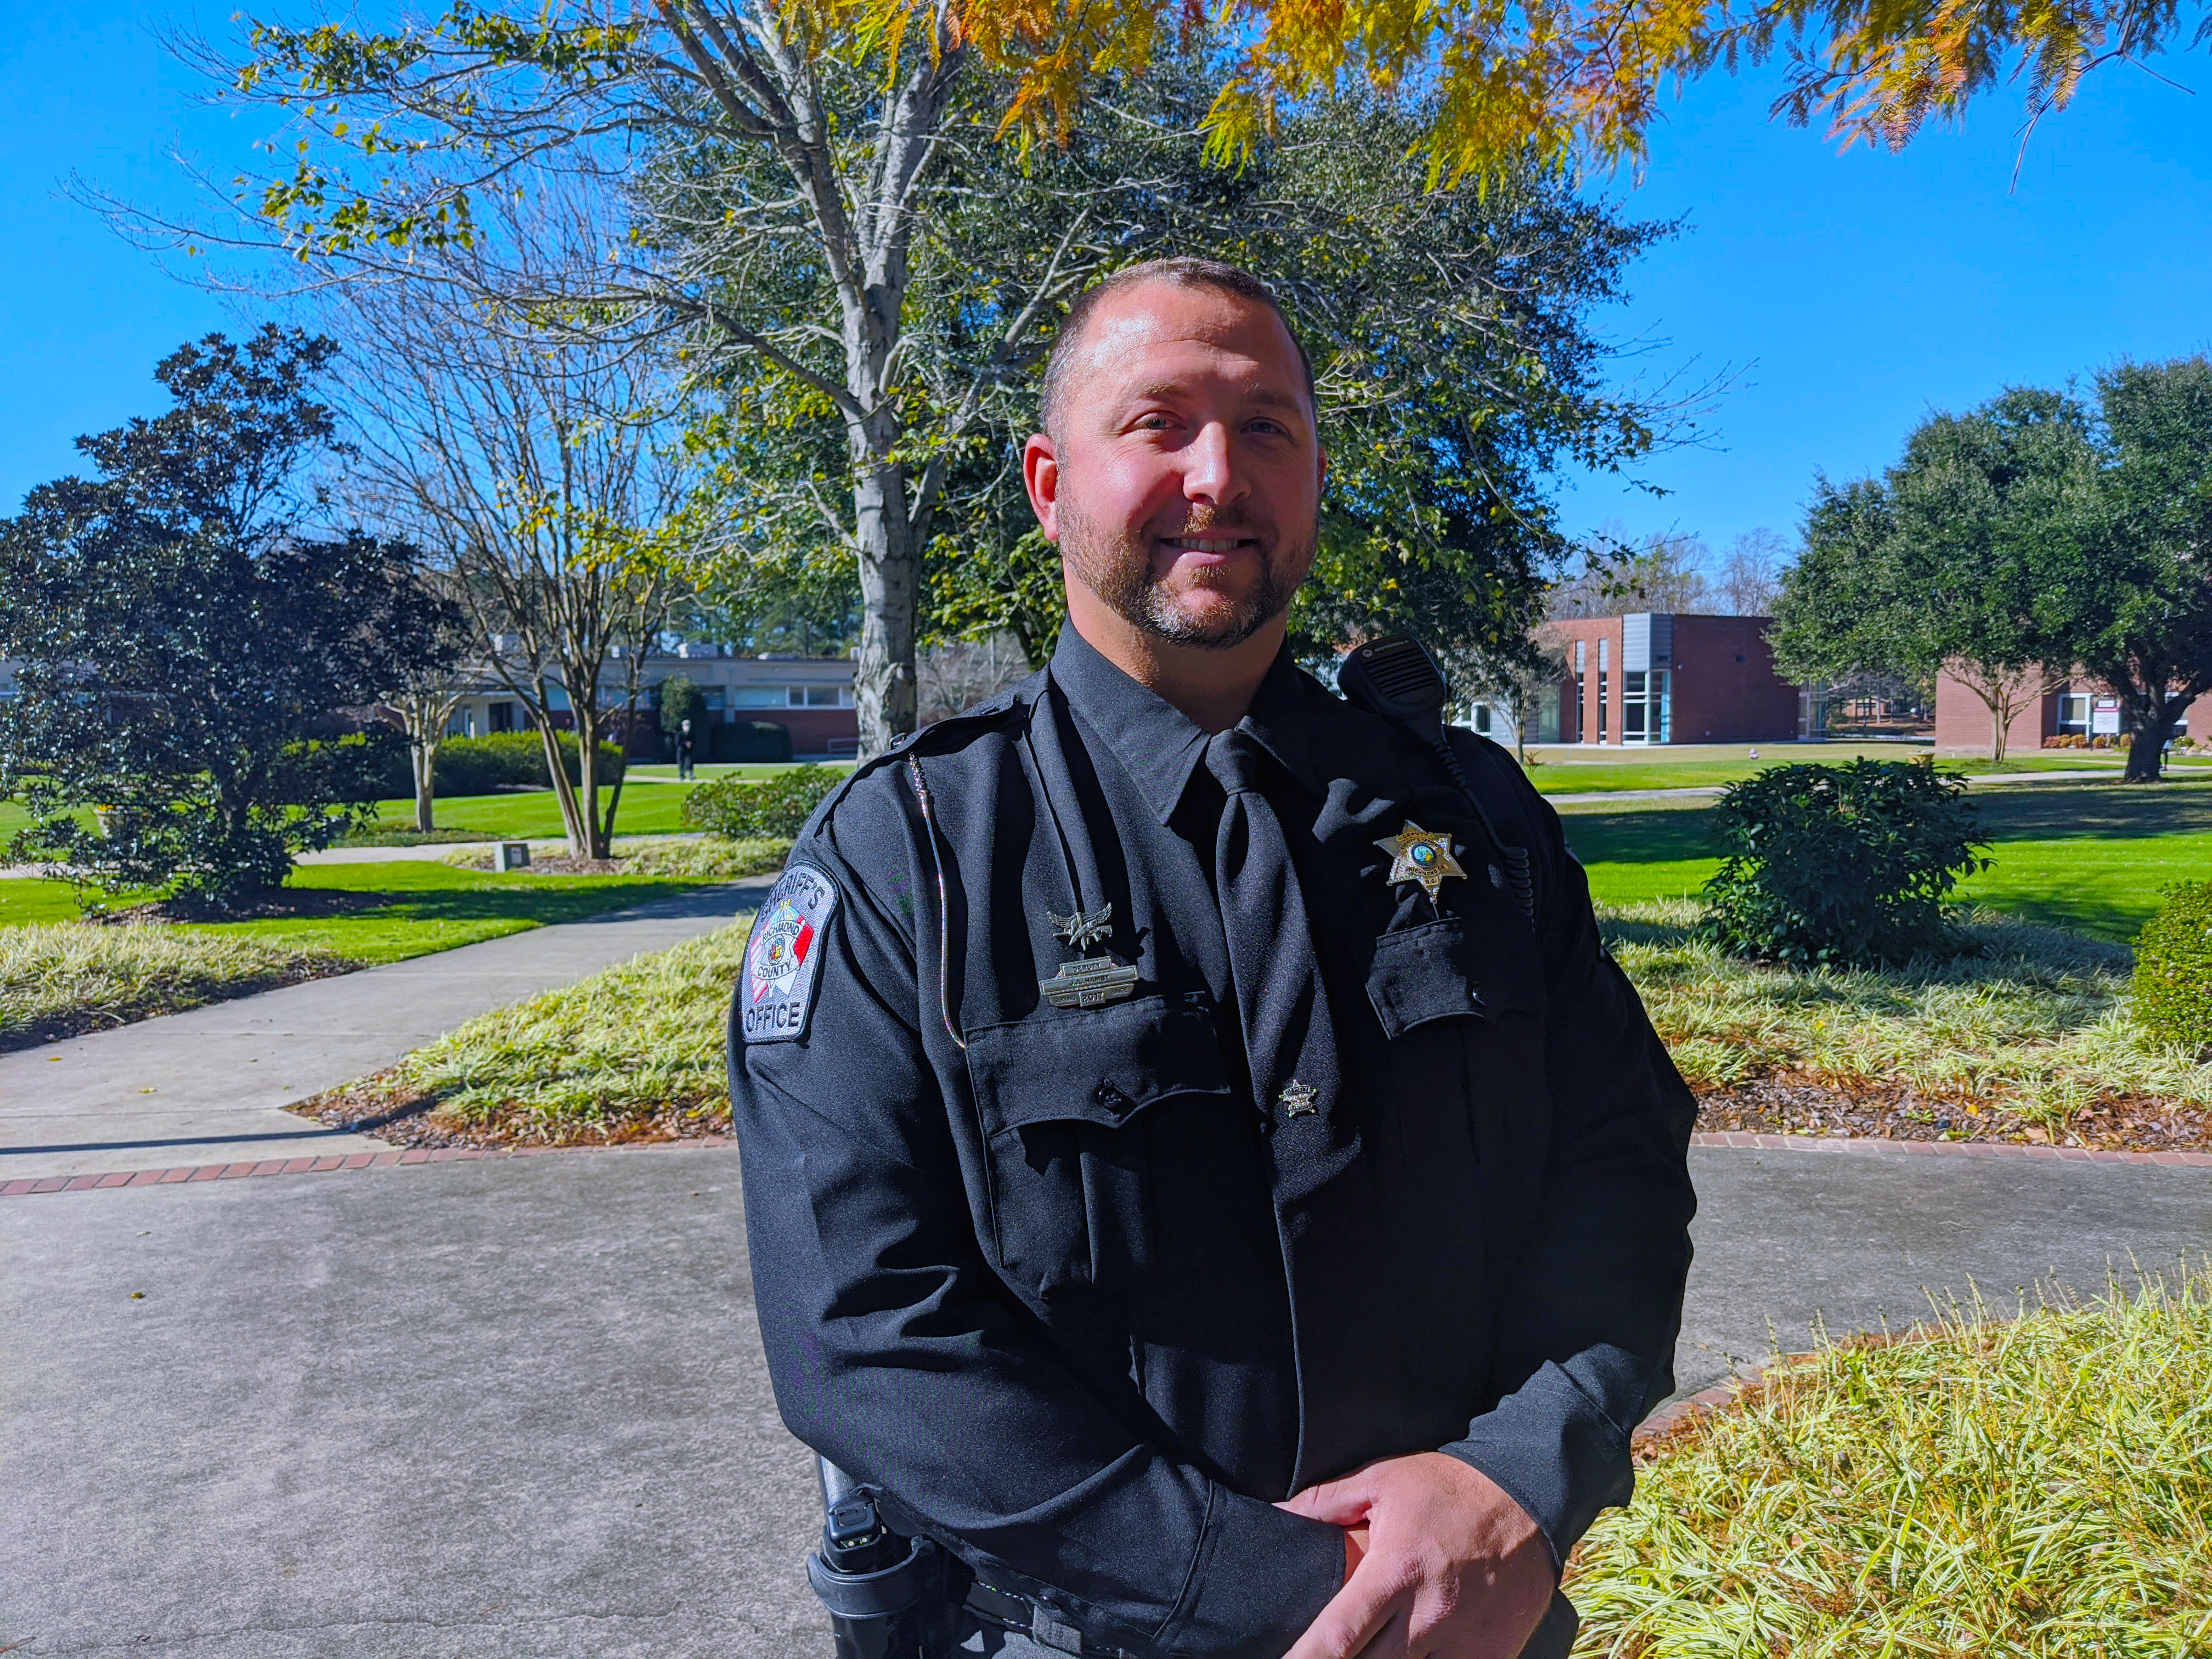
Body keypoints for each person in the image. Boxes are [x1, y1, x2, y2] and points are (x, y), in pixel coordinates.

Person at [728, 258, 1697, 1659]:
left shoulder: (1477, 818)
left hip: (1472, 1618)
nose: (1217, 474)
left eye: (1267, 428)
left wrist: (1523, 1473)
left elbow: (1618, 1166)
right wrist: (1277, 1594)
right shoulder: (910, 857)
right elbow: (859, 1327)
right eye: (1159, 423)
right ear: (1051, 484)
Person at [678, 715, 696, 781]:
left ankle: (691, 776)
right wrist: (685, 743)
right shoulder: (680, 734)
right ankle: (682, 776)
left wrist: (690, 744)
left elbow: (694, 741)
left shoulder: (691, 734)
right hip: (682, 751)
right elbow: (678, 743)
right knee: (681, 764)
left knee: (690, 763)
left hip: (689, 751)